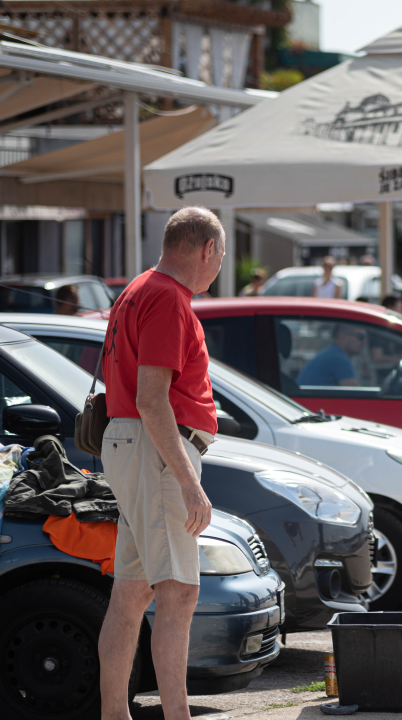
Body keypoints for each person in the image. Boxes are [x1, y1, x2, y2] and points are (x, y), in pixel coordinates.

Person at [97, 206, 222, 720]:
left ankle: (113, 714)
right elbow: (153, 399)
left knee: (131, 594)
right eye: (220, 257)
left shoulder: (139, 287)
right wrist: (190, 482)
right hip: (154, 449)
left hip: (135, 445)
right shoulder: (169, 298)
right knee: (180, 593)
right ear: (207, 250)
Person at [297, 323, 375, 387]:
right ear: (343, 336)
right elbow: (357, 394)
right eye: (361, 337)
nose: (365, 342)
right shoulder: (338, 358)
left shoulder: (333, 353)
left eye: (366, 338)